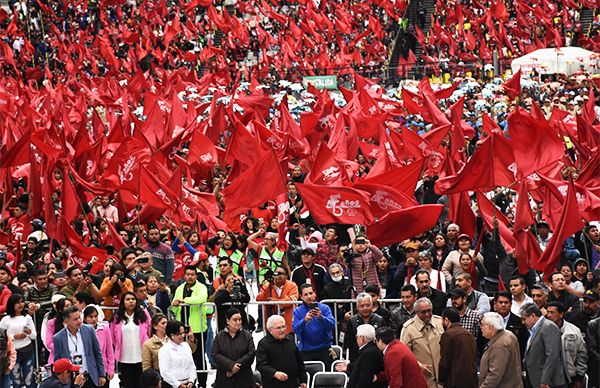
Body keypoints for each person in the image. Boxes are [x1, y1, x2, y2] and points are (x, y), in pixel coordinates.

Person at [171, 266, 209, 387]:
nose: (190, 276)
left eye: (192, 274)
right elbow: (174, 307)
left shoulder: (202, 287)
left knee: (199, 357)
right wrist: (175, 304)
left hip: (198, 328)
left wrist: (184, 300)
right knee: (184, 358)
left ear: (196, 276)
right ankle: (187, 382)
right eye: (188, 274)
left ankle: (202, 383)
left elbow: (200, 299)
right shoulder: (179, 288)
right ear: (184, 275)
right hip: (181, 330)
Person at [53, 306, 106, 388]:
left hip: (90, 376)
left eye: (79, 318)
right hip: (71, 379)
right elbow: (58, 360)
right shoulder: (58, 337)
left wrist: (101, 374)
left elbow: (97, 353)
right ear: (66, 321)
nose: (79, 321)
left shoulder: (89, 330)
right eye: (75, 319)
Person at [520, 303, 570, 388]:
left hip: (551, 382)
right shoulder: (534, 329)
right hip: (537, 379)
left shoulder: (548, 326)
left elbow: (552, 355)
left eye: (524, 319)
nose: (523, 322)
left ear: (533, 315)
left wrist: (545, 380)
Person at [110, 292, 152, 388]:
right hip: (124, 357)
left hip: (141, 356)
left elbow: (149, 331)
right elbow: (112, 337)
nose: (131, 301)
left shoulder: (143, 314)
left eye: (133, 299)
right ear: (123, 302)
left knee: (141, 383)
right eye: (128, 299)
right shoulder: (117, 317)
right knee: (127, 383)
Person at [400, 297, 444, 388]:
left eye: (429, 311)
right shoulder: (408, 328)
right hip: (422, 378)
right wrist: (418, 365)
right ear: (416, 312)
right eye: (423, 312)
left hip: (442, 378)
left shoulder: (440, 322)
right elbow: (404, 355)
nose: (427, 314)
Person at [256, 315, 308, 388]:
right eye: (278, 328)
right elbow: (261, 365)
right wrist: (275, 373)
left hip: (292, 383)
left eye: (283, 327)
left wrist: (303, 380)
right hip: (273, 384)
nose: (282, 330)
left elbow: (299, 362)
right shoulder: (263, 344)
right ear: (270, 330)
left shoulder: (290, 340)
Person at [292, 284, 336, 369]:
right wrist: (304, 320)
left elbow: (332, 325)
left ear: (314, 294)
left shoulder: (325, 308)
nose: (309, 296)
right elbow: (295, 330)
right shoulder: (297, 311)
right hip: (306, 351)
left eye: (310, 293)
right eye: (305, 294)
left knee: (325, 378)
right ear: (301, 297)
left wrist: (321, 318)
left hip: (324, 349)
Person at [211, 308, 256, 388]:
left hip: (244, 379)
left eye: (240, 319)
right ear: (228, 321)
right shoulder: (220, 336)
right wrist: (231, 366)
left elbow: (251, 353)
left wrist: (236, 367)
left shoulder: (247, 335)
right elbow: (215, 354)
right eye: (235, 320)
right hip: (224, 379)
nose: (238, 322)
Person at [546, 302, 588, 388]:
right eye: (548, 312)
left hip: (569, 376)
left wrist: (579, 377)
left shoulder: (574, 331)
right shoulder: (542, 331)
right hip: (549, 377)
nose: (549, 315)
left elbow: (582, 354)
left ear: (561, 314)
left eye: (552, 312)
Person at [479, 312, 524, 388]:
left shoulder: (499, 346)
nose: (481, 327)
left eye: (482, 325)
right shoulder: (509, 334)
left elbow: (495, 374)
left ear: (491, 327)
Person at [0, 294, 36, 388]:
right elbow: (2, 338)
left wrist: (28, 333)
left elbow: (34, 336)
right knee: (16, 379)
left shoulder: (27, 317)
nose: (20, 304)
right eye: (17, 302)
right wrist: (14, 337)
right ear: (12, 304)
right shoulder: (5, 320)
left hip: (27, 350)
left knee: (29, 378)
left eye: (22, 302)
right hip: (13, 352)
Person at [438, 307, 478, 388]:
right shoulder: (469, 334)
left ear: (446, 320)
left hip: (454, 382)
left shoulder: (448, 335)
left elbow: (445, 361)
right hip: (471, 381)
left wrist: (441, 378)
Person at [336, 324, 385, 388]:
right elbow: (363, 366)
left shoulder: (368, 353)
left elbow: (365, 377)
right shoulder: (372, 349)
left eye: (357, 337)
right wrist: (349, 366)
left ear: (361, 338)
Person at [343, 292, 385, 362]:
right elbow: (348, 342)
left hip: (376, 358)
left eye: (368, 305)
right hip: (356, 358)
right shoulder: (352, 321)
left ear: (372, 305)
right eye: (362, 306)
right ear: (357, 307)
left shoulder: (380, 320)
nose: (365, 308)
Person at [256, 266, 299, 334]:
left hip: (288, 327)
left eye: (281, 273)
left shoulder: (292, 286)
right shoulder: (267, 286)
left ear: (286, 276)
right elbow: (259, 299)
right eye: (276, 274)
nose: (278, 276)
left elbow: (291, 300)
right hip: (272, 327)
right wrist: (268, 287)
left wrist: (275, 301)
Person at [158, 320, 197, 388]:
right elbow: (165, 372)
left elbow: (192, 366)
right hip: (172, 385)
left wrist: (191, 380)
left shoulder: (186, 346)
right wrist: (178, 384)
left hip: (189, 384)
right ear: (172, 335)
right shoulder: (164, 350)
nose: (183, 335)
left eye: (183, 333)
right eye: (179, 334)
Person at [81, 305, 115, 383]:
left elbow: (110, 351)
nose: (94, 319)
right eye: (91, 317)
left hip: (102, 368)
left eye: (96, 316)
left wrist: (111, 369)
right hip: (87, 369)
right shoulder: (81, 331)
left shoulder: (104, 328)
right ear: (85, 318)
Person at [494, 291, 529, 358]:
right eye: (500, 302)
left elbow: (523, 344)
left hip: (513, 359)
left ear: (511, 304)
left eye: (506, 302)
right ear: (495, 304)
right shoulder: (487, 320)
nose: (503, 305)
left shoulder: (519, 322)